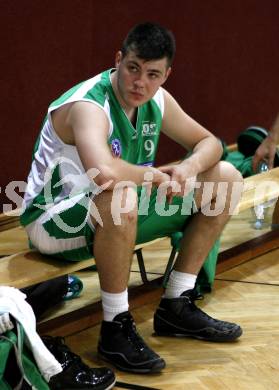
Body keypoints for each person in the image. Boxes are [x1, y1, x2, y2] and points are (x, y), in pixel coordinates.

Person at [21, 22, 243, 375]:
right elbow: (104, 170)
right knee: (118, 192)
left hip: (113, 209)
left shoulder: (157, 99)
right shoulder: (88, 105)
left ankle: (177, 303)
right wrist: (158, 176)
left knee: (226, 178)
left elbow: (211, 144)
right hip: (52, 218)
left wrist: (187, 169)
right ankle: (114, 326)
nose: (141, 82)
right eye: (133, 68)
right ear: (119, 59)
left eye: (153, 74)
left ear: (166, 75)